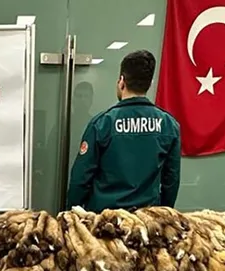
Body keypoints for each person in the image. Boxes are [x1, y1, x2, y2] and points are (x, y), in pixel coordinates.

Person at [66, 50, 181, 212]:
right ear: (150, 83)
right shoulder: (168, 125)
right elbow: (171, 180)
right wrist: (162, 215)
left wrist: (71, 213)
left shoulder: (103, 123)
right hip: (146, 220)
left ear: (121, 82)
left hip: (105, 220)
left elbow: (80, 179)